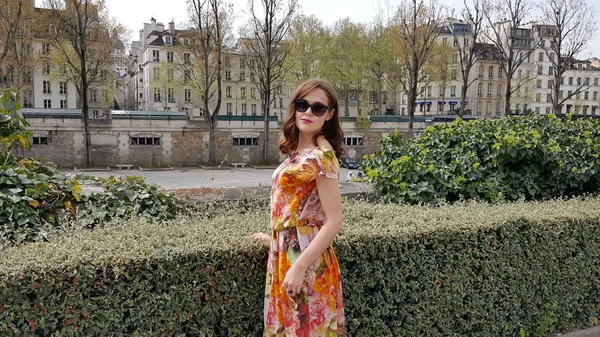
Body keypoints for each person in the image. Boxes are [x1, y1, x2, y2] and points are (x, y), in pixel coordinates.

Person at [252, 79, 346, 337]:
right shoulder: (299, 150)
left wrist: (300, 265)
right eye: (303, 105)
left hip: (304, 259)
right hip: (286, 251)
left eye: (318, 108)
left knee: (305, 330)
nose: (308, 112)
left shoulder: (322, 156)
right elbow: (294, 206)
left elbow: (334, 220)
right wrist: (275, 239)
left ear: (329, 114)